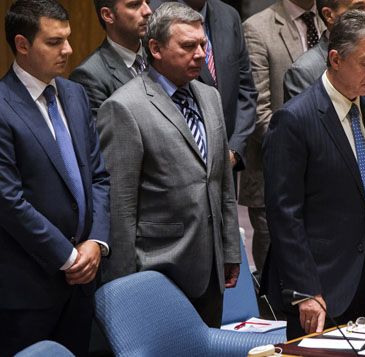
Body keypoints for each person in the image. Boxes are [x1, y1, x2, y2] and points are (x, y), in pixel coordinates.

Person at [97, 2, 241, 326]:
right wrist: (124, 289)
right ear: (156, 48)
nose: (201, 54)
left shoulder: (210, 96)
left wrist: (230, 249)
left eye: (203, 44)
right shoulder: (124, 107)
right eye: (188, 46)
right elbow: (120, 209)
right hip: (158, 271)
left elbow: (220, 182)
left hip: (211, 271)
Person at [263, 10, 365, 340]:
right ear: (336, 59)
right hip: (318, 290)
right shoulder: (294, 120)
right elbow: (285, 216)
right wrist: (304, 291)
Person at [0, 0, 110, 355]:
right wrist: (68, 256)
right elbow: (8, 200)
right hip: (28, 288)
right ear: (22, 44)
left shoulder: (74, 94)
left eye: (68, 39)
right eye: (54, 42)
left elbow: (99, 177)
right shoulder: (2, 106)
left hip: (82, 282)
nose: (68, 50)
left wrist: (96, 243)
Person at [283, 0, 365, 201]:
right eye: (359, 8)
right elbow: (311, 158)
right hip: (334, 209)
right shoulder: (304, 72)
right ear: (329, 15)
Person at [241, 0, 326, 277]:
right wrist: (309, 151)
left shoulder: (331, 20)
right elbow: (258, 110)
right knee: (279, 283)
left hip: (329, 179)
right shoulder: (256, 29)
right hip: (275, 176)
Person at [152, 0, 257, 174]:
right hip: (176, 169)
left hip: (227, 162)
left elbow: (246, 90)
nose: (200, 53)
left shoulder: (229, 16)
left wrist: (234, 149)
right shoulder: (155, 14)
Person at [69, 0, 152, 118]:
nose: (148, 11)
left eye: (147, 2)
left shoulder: (159, 55)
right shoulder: (89, 76)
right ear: (108, 15)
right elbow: (105, 134)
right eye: (134, 5)